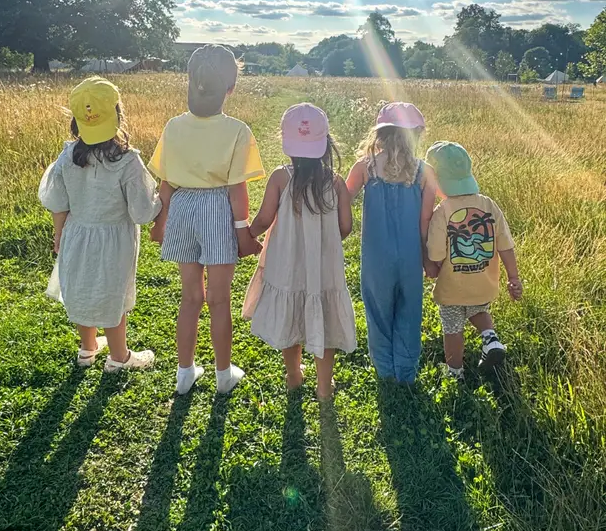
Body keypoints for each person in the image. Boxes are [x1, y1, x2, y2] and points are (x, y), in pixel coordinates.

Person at [149, 45, 265, 396]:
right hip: (217, 210)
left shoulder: (174, 127)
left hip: (182, 207)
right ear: (230, 88)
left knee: (189, 298)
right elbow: (236, 192)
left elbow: (165, 183)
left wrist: (159, 221)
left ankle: (184, 372)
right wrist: (242, 231)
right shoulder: (237, 131)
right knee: (218, 299)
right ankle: (222, 374)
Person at [39, 77, 162, 372]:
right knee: (112, 294)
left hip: (76, 234)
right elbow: (143, 212)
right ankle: (119, 357)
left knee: (81, 288)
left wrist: (59, 235)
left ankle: (87, 348)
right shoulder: (127, 161)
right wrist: (162, 197)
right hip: (114, 240)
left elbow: (58, 201)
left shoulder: (67, 156)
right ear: (117, 115)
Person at [242, 104, 356, 400]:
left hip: (287, 264)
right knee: (325, 321)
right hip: (324, 267)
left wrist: (249, 234)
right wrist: (327, 241)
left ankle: (294, 375)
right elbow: (346, 226)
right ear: (326, 144)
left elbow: (265, 218)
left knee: (291, 316)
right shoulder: (336, 182)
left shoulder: (281, 177)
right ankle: (323, 387)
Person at [346, 102, 436, 383]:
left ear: (380, 135)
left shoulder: (365, 167)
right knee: (410, 309)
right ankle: (406, 372)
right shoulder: (424, 172)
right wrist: (426, 258)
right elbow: (425, 223)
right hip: (410, 256)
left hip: (376, 257)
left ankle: (385, 370)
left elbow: (342, 201)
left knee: (378, 310)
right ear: (417, 134)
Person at [425, 141, 523, 380]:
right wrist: (513, 277)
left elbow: (436, 254)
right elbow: (505, 245)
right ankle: (490, 339)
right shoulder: (488, 204)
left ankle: (454, 373)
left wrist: (433, 267)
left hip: (452, 287)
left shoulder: (443, 211)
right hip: (483, 283)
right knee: (479, 310)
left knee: (453, 330)